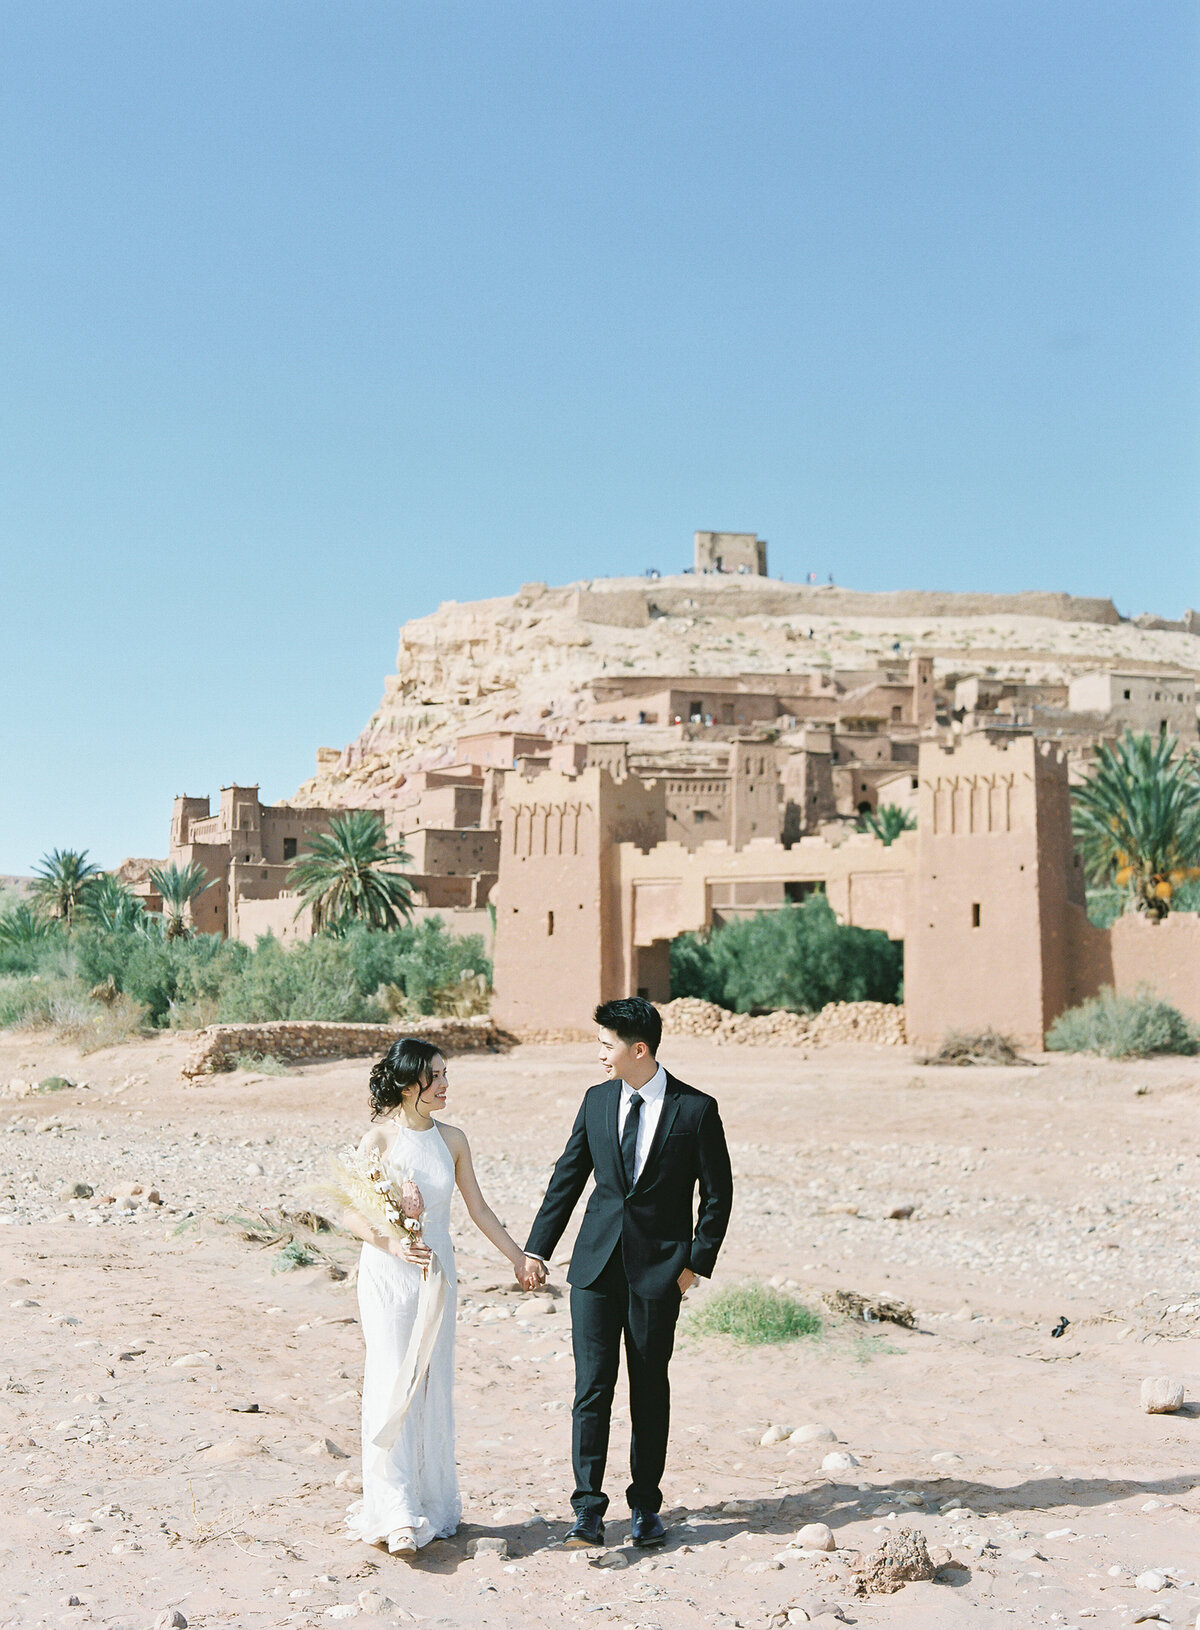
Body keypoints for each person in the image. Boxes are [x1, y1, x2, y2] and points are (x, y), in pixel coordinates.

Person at [525, 997, 733, 1550]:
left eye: (606, 1044)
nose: (599, 1054)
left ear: (637, 1049)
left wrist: (693, 1266)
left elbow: (717, 1196)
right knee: (591, 1389)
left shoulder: (696, 1110)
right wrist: (537, 1250)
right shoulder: (595, 1102)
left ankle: (645, 1506)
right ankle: (588, 1511)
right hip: (594, 1268)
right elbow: (567, 1179)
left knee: (648, 1390)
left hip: (659, 1273)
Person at [341, 1037, 545, 1555]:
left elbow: (478, 1209)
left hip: (438, 1274)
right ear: (409, 1084)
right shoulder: (378, 1141)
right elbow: (349, 1215)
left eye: (446, 1074)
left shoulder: (453, 1139)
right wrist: (392, 1242)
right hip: (388, 1275)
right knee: (392, 1378)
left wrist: (519, 1257)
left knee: (431, 1381)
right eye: (436, 1076)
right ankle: (394, 1511)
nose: (445, 1084)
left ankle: (429, 1502)